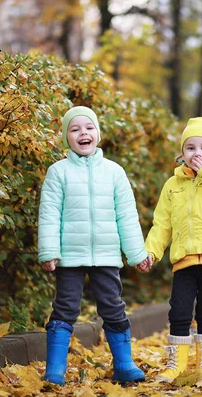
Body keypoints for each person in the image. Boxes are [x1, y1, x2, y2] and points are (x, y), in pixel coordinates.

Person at [38, 106, 151, 385]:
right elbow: (50, 213)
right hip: (70, 256)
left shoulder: (114, 172)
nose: (83, 133)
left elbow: (126, 215)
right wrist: (49, 251)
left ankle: (124, 364)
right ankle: (55, 369)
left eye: (88, 128)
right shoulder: (58, 172)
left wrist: (137, 254)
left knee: (113, 306)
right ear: (67, 137)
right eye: (75, 129)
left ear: (97, 134)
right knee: (64, 308)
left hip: (106, 254)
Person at [138, 117, 202, 382]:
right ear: (182, 153)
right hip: (184, 259)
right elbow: (162, 224)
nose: (198, 153)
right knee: (179, 311)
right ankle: (177, 364)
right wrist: (151, 251)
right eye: (191, 147)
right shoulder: (173, 186)